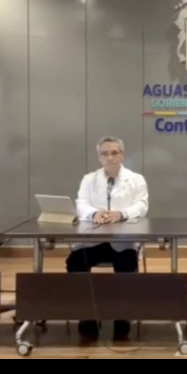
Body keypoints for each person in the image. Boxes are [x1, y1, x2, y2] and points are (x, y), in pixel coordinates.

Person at [68, 136, 149, 340]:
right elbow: (81, 203)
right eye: (105, 154)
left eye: (114, 153)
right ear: (99, 157)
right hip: (93, 241)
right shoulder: (89, 179)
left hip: (123, 242)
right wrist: (94, 213)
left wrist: (121, 214)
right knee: (75, 262)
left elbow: (142, 205)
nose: (110, 157)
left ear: (122, 155)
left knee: (127, 264)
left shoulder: (136, 179)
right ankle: (87, 315)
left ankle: (122, 316)